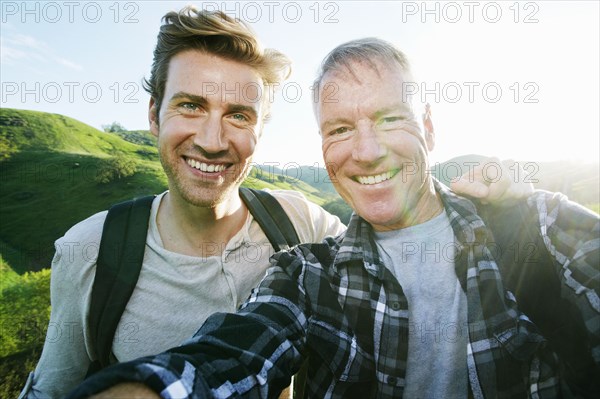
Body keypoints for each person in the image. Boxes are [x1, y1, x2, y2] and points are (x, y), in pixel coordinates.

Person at [67, 37, 599, 399]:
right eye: (340, 129)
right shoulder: (306, 273)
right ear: (321, 145)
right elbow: (235, 353)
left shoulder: (540, 226)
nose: (365, 153)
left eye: (389, 119)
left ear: (429, 129)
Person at [19, 7, 347, 399]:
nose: (212, 141)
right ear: (154, 116)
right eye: (191, 105)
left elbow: (388, 265)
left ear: (260, 131)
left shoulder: (301, 223)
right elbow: (52, 389)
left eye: (239, 116)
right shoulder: (90, 250)